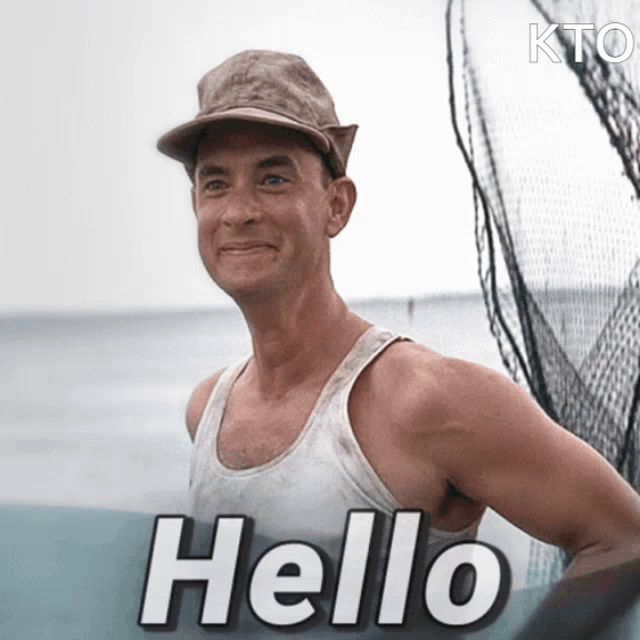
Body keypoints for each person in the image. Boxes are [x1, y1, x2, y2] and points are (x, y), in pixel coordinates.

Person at [157, 50, 640, 581]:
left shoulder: (426, 400)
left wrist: (537, 624)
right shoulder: (208, 411)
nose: (238, 211)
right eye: (216, 183)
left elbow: (625, 540)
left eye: (273, 179)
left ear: (336, 206)